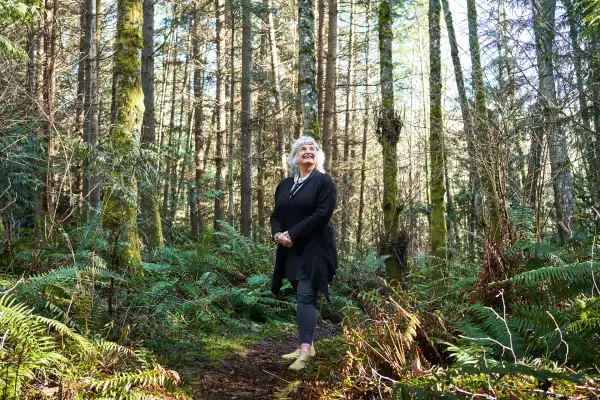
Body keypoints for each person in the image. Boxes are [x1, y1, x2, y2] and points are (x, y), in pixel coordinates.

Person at [270, 135, 338, 371]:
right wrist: (277, 234)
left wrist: (293, 233)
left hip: (316, 250)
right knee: (300, 296)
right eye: (302, 149)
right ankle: (306, 345)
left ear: (318, 156)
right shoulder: (285, 185)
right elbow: (276, 215)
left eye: (312, 149)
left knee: (306, 297)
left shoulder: (324, 182)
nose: (308, 151)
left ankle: (306, 350)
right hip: (291, 250)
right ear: (295, 157)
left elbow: (322, 214)